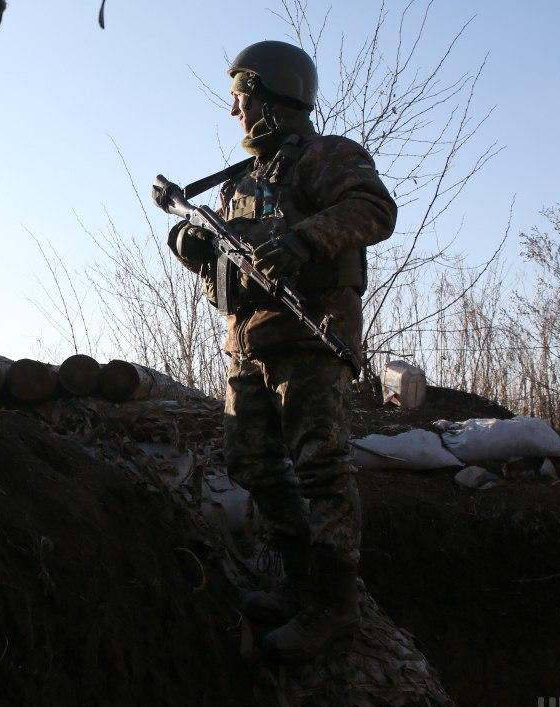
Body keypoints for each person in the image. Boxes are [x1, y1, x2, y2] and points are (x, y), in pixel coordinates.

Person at [151, 41, 397, 663]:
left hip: (310, 339)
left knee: (321, 469)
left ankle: (333, 608)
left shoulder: (326, 156)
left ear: (270, 95)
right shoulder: (240, 182)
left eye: (240, 97)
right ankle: (297, 583)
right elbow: (223, 264)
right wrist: (192, 244)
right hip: (247, 345)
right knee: (253, 462)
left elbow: (374, 209)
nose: (234, 110)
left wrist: (304, 240)